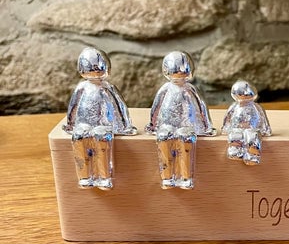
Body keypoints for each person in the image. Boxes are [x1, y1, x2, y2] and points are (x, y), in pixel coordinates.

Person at [63, 47, 137, 190]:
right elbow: (74, 106)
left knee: (102, 139)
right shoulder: (81, 88)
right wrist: (71, 124)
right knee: (78, 137)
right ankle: (85, 176)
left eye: (98, 66)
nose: (94, 70)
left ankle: (103, 177)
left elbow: (118, 106)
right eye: (90, 66)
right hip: (84, 124)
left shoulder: (107, 88)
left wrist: (124, 126)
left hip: (104, 126)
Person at [146, 51, 216, 189]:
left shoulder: (190, 90)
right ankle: (167, 177)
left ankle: (185, 177)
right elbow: (156, 106)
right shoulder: (165, 89)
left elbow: (201, 107)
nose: (179, 72)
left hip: (188, 126)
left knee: (186, 139)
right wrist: (153, 125)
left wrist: (206, 126)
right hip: (166, 125)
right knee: (163, 138)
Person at [222, 80, 271, 166]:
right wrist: (226, 127)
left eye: (247, 93)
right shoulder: (234, 106)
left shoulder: (256, 107)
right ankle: (235, 151)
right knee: (235, 137)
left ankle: (253, 155)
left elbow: (263, 117)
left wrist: (265, 129)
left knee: (252, 139)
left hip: (252, 129)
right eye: (241, 93)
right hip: (236, 128)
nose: (245, 94)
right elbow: (228, 116)